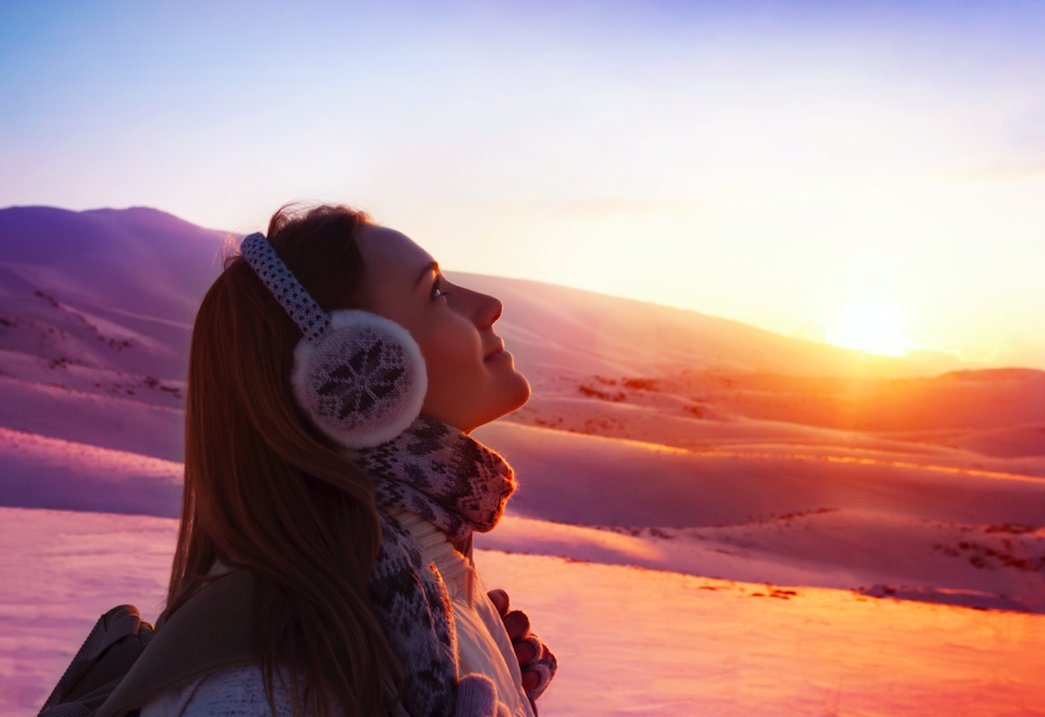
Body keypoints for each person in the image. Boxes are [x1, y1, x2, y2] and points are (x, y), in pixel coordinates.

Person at [140, 203, 556, 716]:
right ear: (353, 367)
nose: (490, 305)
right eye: (436, 292)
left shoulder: (426, 594)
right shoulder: (268, 674)